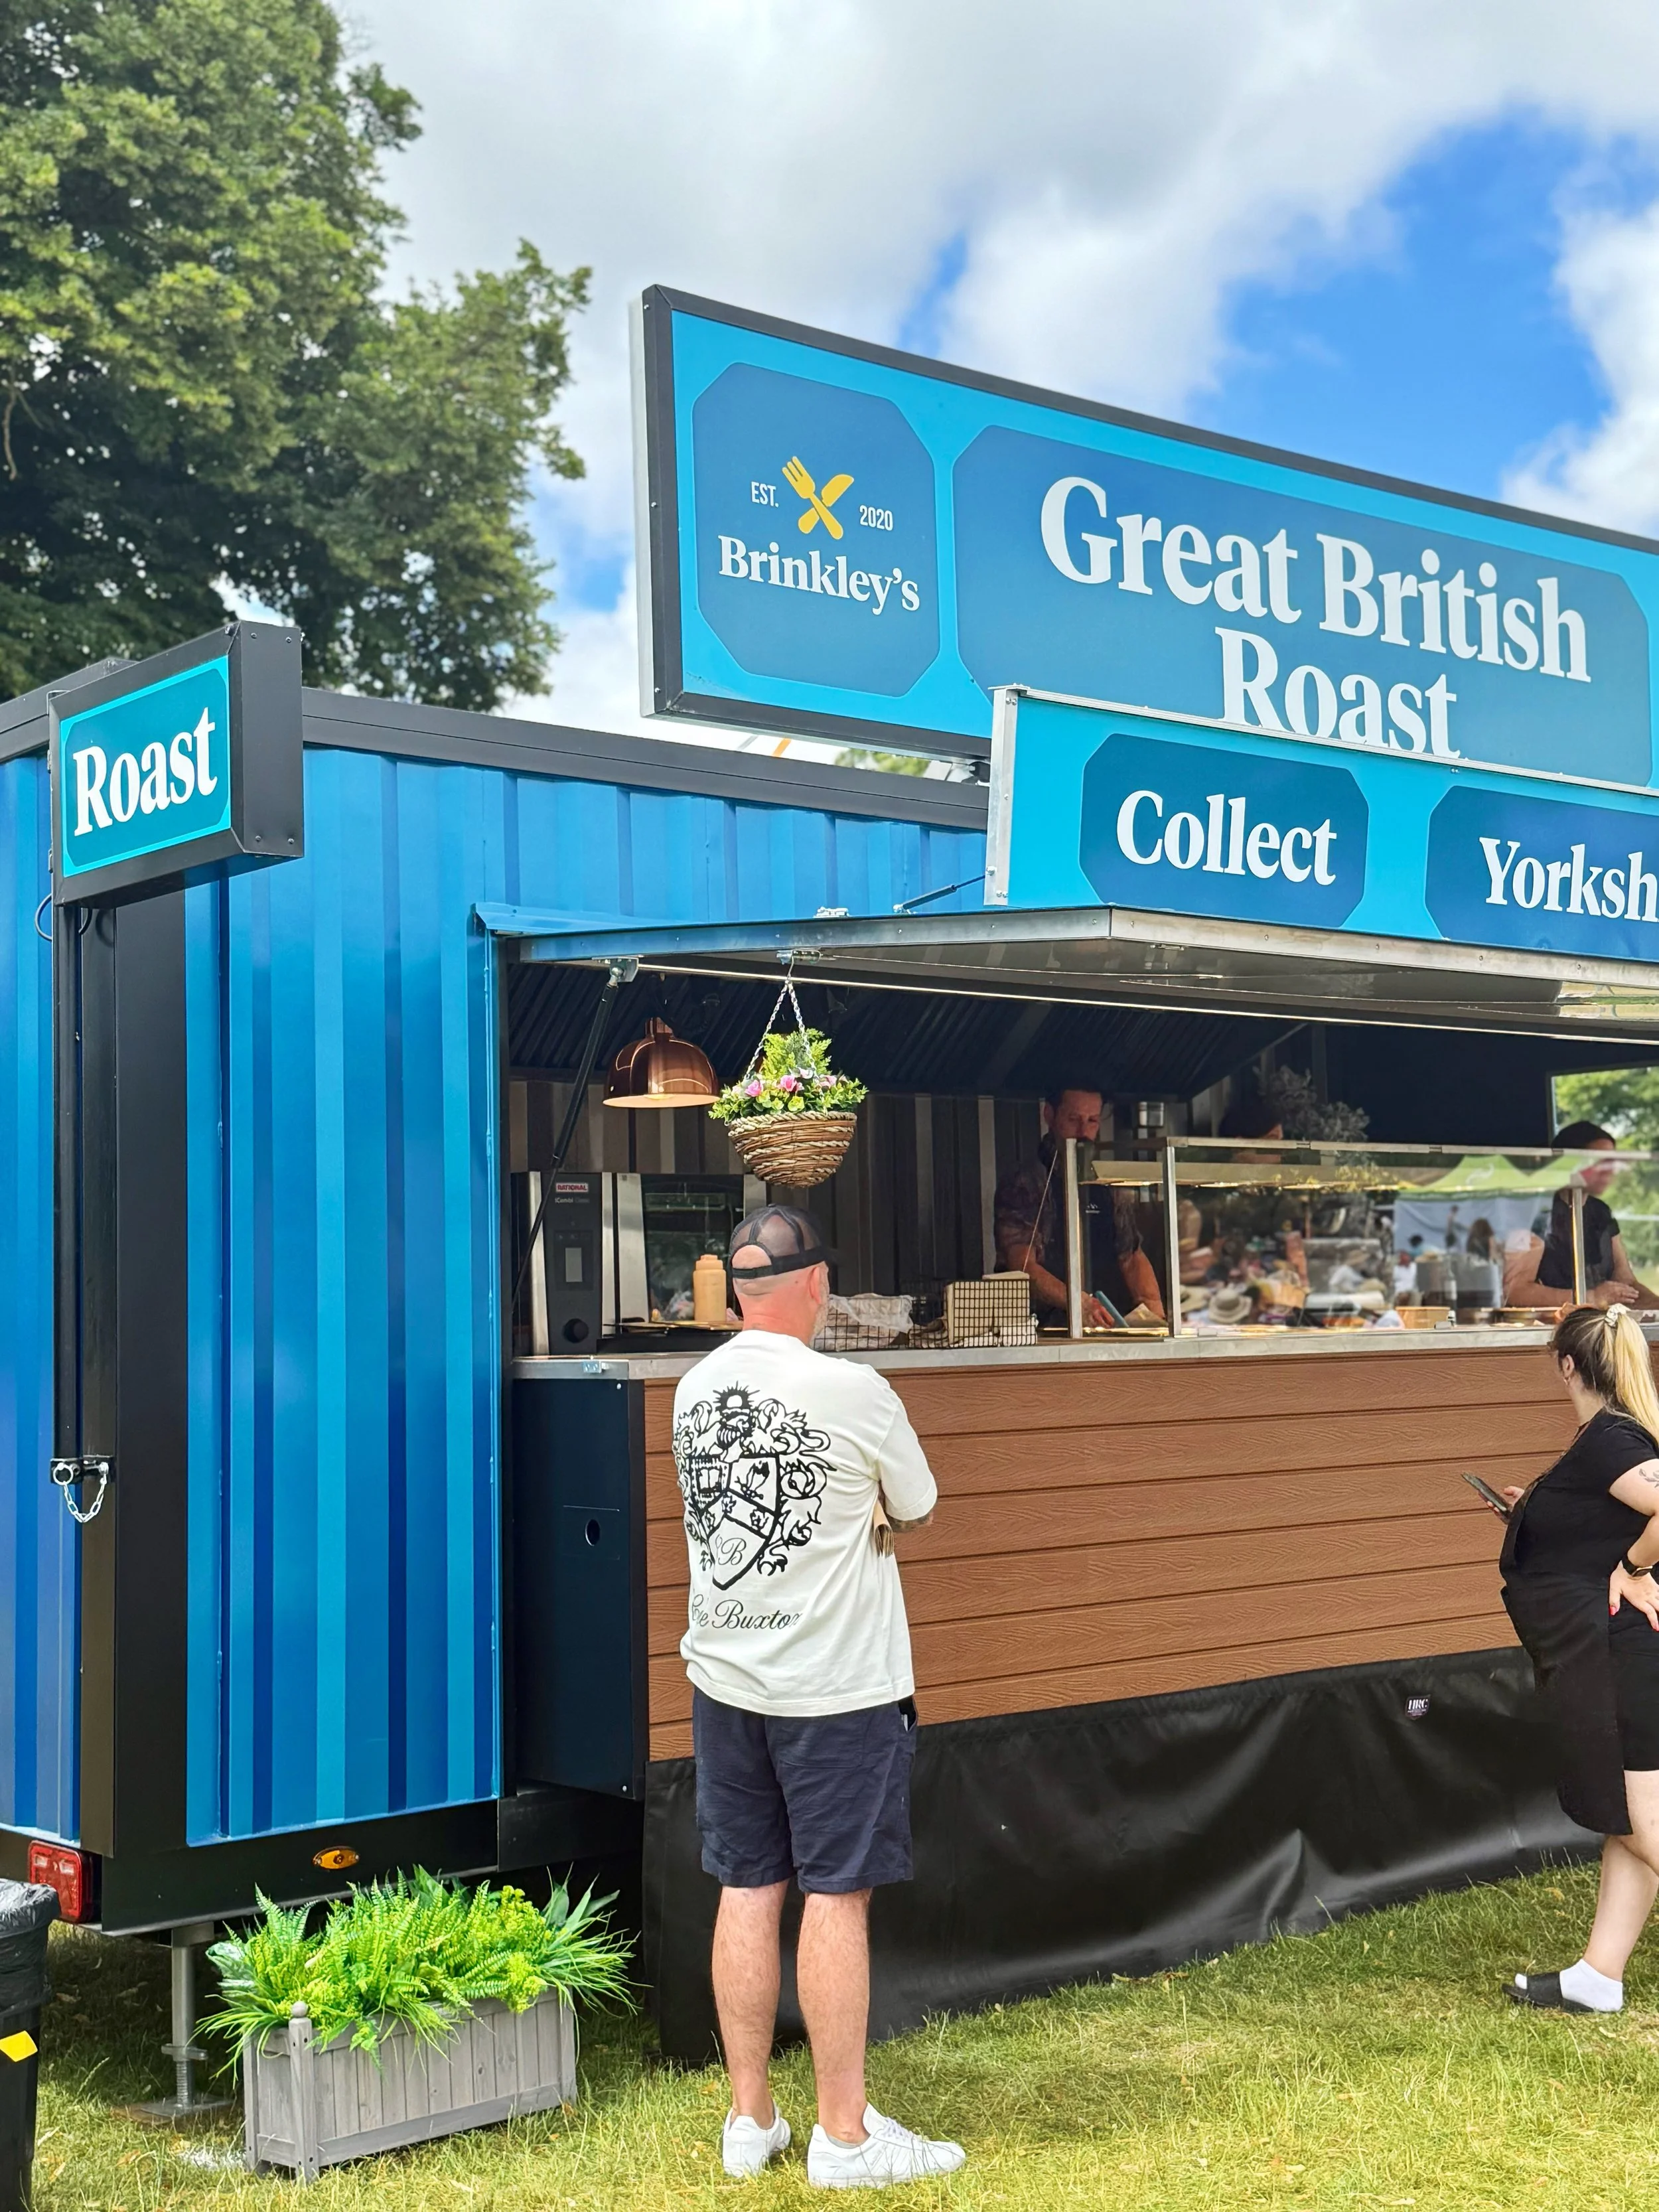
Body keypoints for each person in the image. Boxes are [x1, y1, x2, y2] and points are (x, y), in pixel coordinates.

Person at [670, 1203, 966, 2187]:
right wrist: (864, 1507)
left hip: (725, 1681)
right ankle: (843, 2138)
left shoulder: (691, 1390)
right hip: (836, 1689)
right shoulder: (857, 1389)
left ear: (737, 1292)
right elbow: (917, 1505)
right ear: (815, 1285)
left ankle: (749, 2121)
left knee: (746, 1887)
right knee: (836, 1899)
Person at [1490, 1303, 1659, 2014]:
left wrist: (1635, 1567)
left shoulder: (1608, 1441)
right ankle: (1598, 1975)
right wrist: (1531, 1511)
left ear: (1566, 1364)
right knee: (1629, 1821)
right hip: (1614, 1650)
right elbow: (1599, 1515)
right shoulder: (1603, 1441)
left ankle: (1598, 1977)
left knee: (1647, 1822)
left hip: (1617, 1653)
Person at [993, 1084, 1164, 1327]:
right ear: (1049, 1116)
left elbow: (1131, 1255)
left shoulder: (1105, 1180)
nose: (1083, 1132)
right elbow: (1022, 1267)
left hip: (1104, 1326)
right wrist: (1080, 1304)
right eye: (1074, 1120)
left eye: (1092, 1121)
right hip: (1037, 1329)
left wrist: (1156, 1315)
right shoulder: (1026, 1182)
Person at [1508, 1121, 1659, 1311]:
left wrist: (1655, 1304)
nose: (1610, 1170)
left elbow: (1626, 1282)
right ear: (1569, 1164)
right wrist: (1590, 1297)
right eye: (1599, 1161)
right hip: (1557, 1331)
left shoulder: (1601, 1212)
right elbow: (1516, 1291)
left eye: (1612, 1162)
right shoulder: (1538, 1212)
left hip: (1599, 1326)